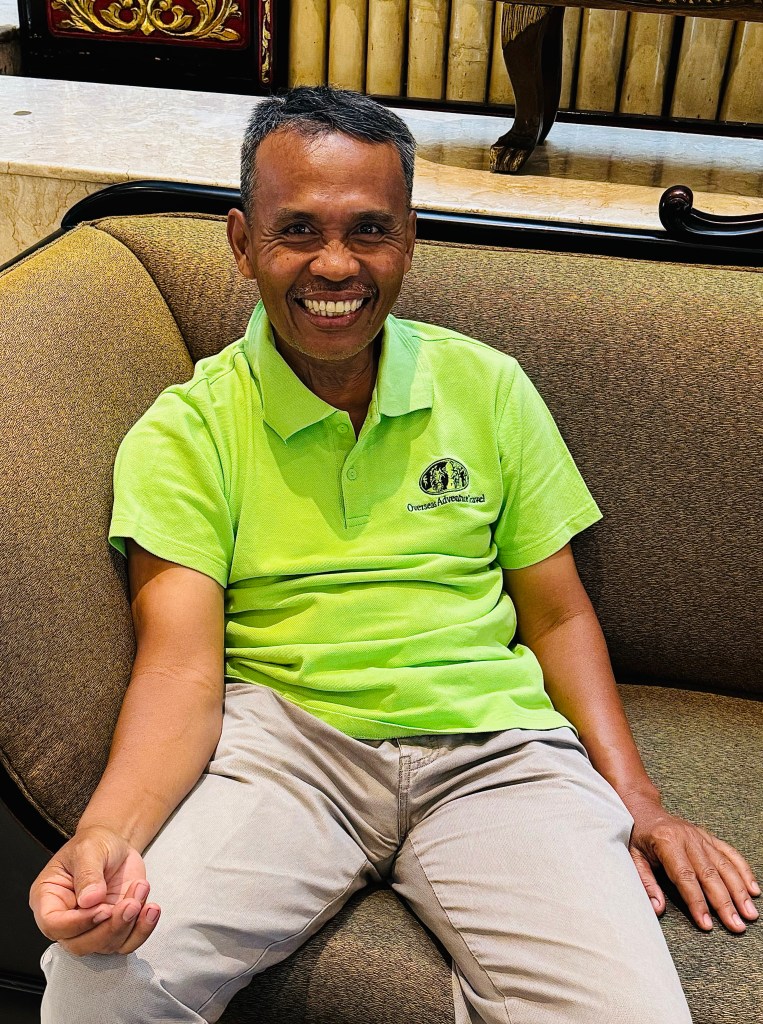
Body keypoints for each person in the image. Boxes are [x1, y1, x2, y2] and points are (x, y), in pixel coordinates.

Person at [31, 86, 758, 1024]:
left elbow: (556, 613)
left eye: (369, 230)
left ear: (408, 237)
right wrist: (106, 835)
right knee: (99, 986)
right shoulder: (186, 431)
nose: (335, 264)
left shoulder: (487, 388)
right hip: (285, 750)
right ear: (243, 242)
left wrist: (639, 802)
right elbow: (179, 668)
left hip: (494, 750)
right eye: (297, 230)